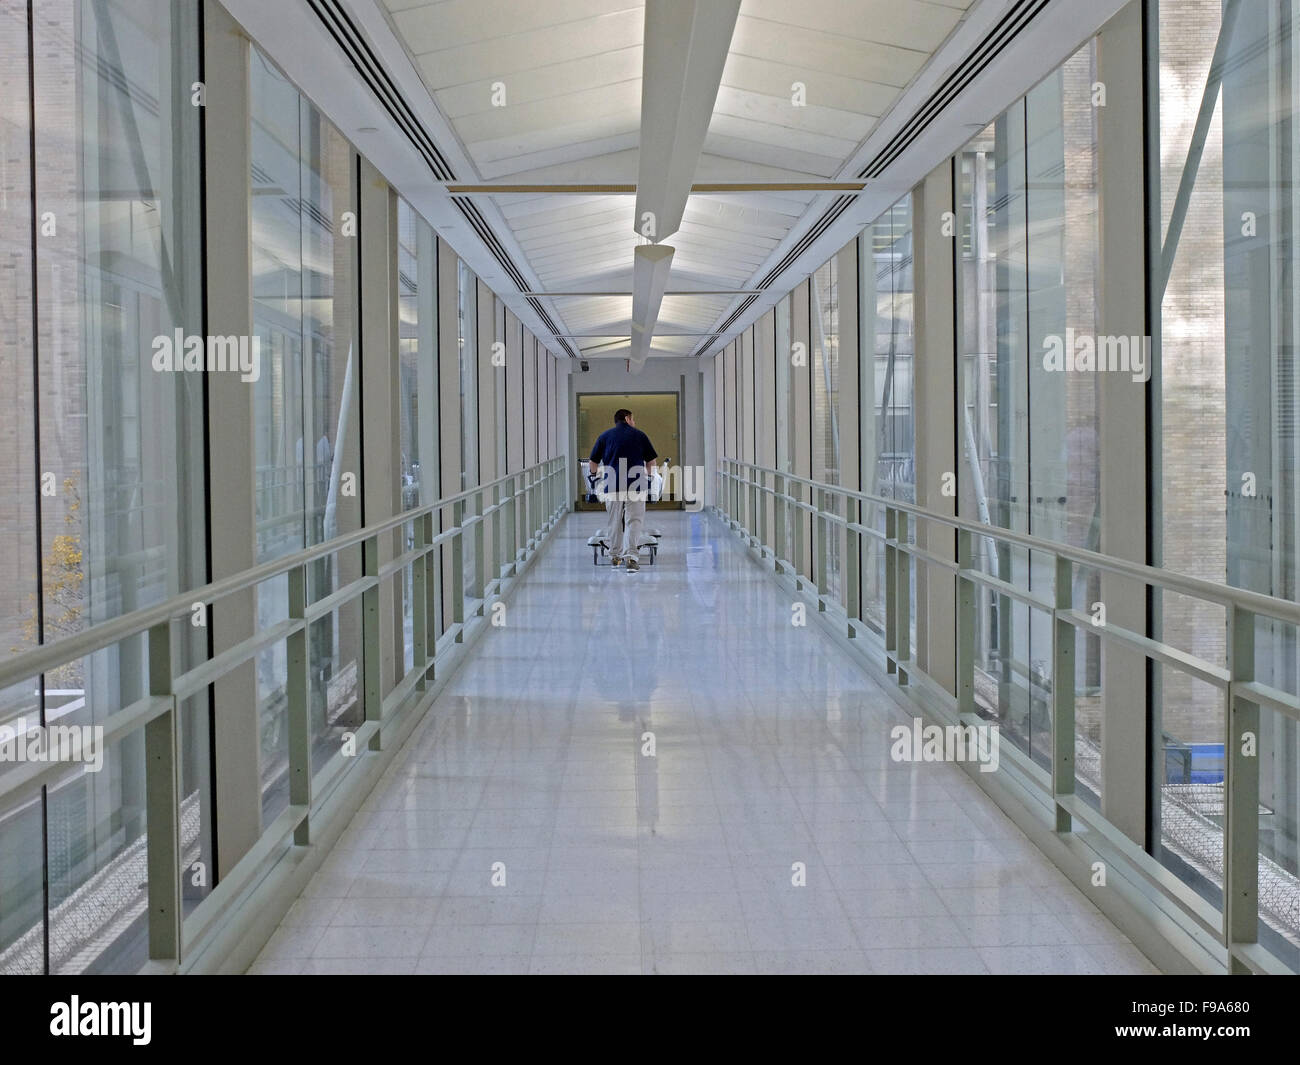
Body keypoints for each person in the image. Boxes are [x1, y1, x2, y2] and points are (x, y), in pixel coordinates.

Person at [589, 408, 658, 571]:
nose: (634, 423)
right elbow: (651, 461)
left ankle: (614, 556)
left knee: (614, 522)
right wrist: (649, 479)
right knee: (634, 521)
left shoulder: (604, 436)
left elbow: (593, 462)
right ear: (627, 418)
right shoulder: (640, 435)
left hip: (612, 485)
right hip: (636, 485)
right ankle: (631, 558)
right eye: (633, 419)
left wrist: (595, 478)